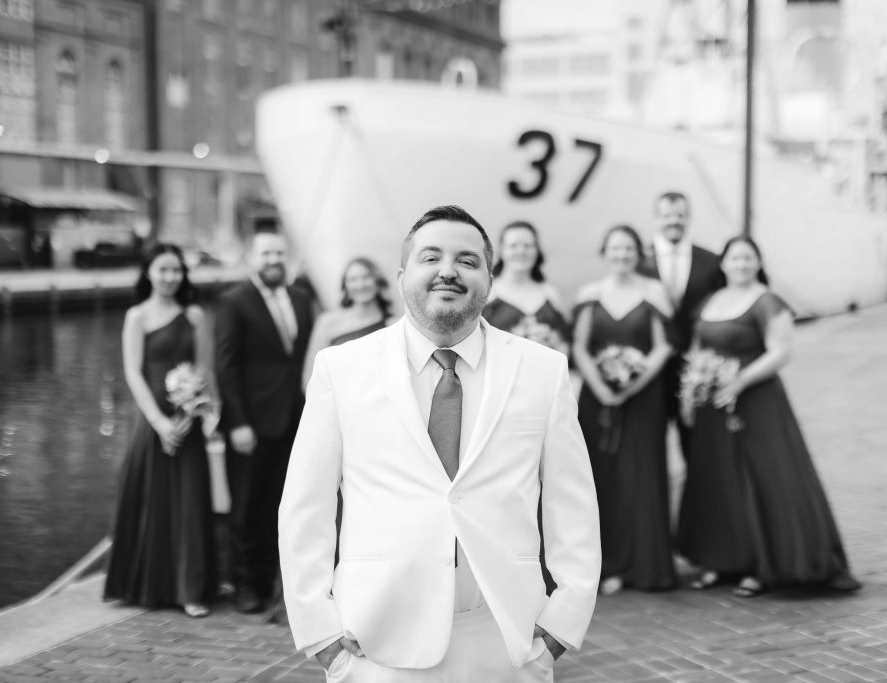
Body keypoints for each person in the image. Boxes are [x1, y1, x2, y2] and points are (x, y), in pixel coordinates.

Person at [279, 205, 601, 682]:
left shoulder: (543, 370)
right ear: (402, 276)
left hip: (507, 639)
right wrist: (320, 633)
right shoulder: (340, 368)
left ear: (489, 281)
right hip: (373, 644)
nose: (448, 271)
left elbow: (572, 505)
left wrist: (562, 624)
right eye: (431, 258)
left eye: (468, 261)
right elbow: (306, 506)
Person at [677, 236, 862, 598]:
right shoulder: (711, 300)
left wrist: (740, 381)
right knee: (718, 479)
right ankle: (720, 561)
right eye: (735, 258)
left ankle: (760, 566)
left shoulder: (767, 301)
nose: (741, 264)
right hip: (711, 406)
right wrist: (688, 395)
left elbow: (780, 352)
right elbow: (697, 350)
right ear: (723, 263)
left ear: (758, 262)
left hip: (756, 402)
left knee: (758, 478)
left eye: (749, 258)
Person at [104, 243, 216, 619]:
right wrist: (159, 423)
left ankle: (191, 590)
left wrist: (193, 411)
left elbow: (204, 369)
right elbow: (133, 373)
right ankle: (147, 586)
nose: (170, 277)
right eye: (162, 269)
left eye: (176, 270)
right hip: (151, 421)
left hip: (188, 419)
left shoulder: (196, 315)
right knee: (152, 501)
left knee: (190, 503)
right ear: (149, 273)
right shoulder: (136, 316)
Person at [214, 231, 315, 620]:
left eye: (279, 252)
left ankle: (275, 581)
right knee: (246, 505)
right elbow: (226, 365)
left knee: (283, 503)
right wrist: (238, 422)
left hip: (294, 420)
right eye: (266, 252)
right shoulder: (234, 302)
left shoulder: (302, 299)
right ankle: (244, 584)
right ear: (251, 258)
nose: (274, 258)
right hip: (251, 424)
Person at [573, 225, 677, 595]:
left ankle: (644, 565)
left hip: (644, 398)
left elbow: (664, 346)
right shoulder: (590, 294)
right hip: (596, 398)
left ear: (639, 253)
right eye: (615, 249)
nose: (622, 255)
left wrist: (634, 382)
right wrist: (601, 388)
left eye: (629, 248)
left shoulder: (654, 292)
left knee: (642, 475)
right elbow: (580, 347)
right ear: (605, 253)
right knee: (600, 479)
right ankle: (605, 565)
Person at [638, 191, 723, 459]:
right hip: (650, 367)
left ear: (688, 217)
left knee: (697, 443)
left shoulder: (711, 261)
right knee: (648, 441)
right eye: (667, 215)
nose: (674, 221)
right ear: (656, 218)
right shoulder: (637, 261)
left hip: (697, 367)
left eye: (680, 215)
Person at [302, 257, 395, 388]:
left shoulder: (393, 325)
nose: (360, 285)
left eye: (366, 277)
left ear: (378, 282)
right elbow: (309, 378)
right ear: (345, 287)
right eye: (353, 279)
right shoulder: (328, 323)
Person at [483, 221, 569, 356]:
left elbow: (565, 341)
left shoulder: (549, 293)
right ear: (501, 250)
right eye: (513, 246)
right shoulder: (488, 292)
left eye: (528, 246)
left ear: (537, 250)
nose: (521, 251)